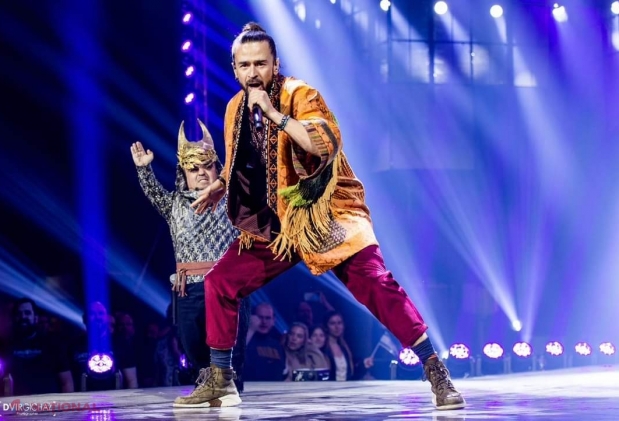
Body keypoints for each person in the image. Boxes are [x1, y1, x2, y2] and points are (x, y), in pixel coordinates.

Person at [174, 22, 465, 410]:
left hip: (328, 215)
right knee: (221, 282)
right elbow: (242, 163)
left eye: (260, 64)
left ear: (275, 64)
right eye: (245, 65)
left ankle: (435, 369)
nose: (253, 73)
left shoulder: (300, 94)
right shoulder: (234, 109)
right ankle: (221, 380)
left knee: (376, 284)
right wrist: (220, 184)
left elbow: (324, 143)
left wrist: (275, 114)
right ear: (234, 68)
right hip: (278, 224)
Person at [131, 120, 251, 393]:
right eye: (193, 169)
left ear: (217, 168)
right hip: (189, 289)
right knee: (193, 346)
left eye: (207, 166)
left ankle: (232, 397)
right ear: (183, 173)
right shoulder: (174, 204)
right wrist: (144, 169)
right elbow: (153, 193)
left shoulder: (233, 199)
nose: (201, 173)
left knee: (232, 355)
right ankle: (208, 393)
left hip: (228, 288)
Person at [4, 298, 74, 395]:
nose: (23, 317)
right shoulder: (6, 346)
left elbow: (66, 382)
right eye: (19, 314)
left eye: (27, 313)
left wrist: (66, 403)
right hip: (17, 403)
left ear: (36, 318)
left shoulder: (52, 344)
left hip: (48, 403)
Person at [244, 303, 286, 381]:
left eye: (268, 318)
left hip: (274, 387)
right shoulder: (243, 339)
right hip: (248, 386)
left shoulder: (277, 344)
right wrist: (251, 330)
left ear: (273, 320)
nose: (264, 322)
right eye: (260, 317)